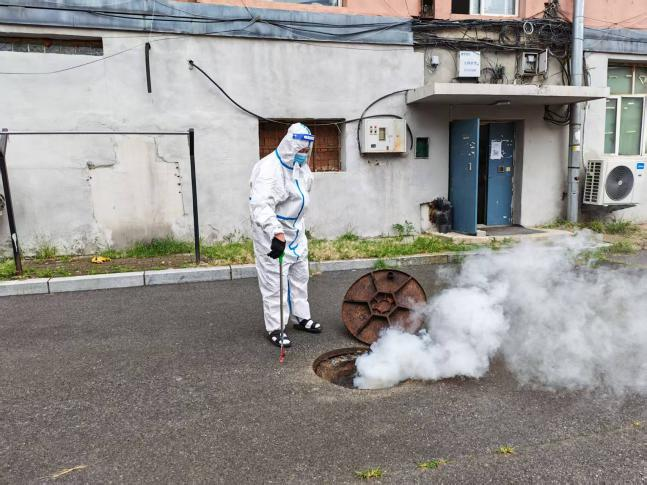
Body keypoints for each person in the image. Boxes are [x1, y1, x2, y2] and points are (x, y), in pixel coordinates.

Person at [249, 122, 322, 347]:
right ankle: (276, 327)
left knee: (300, 277)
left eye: (307, 150)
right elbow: (260, 206)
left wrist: (298, 228)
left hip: (296, 231)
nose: (304, 153)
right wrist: (276, 233)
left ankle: (301, 317)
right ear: (290, 145)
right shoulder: (268, 169)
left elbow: (302, 195)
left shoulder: (301, 168)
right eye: (300, 149)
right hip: (273, 233)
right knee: (275, 281)